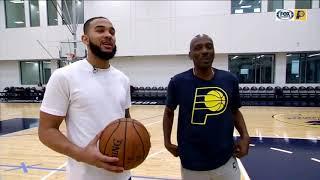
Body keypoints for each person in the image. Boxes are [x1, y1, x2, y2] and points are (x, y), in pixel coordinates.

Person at [38, 17, 132, 180]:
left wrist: (136, 141)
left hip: (123, 175)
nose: (108, 35)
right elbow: (46, 131)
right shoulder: (64, 76)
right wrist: (83, 155)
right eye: (100, 30)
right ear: (85, 39)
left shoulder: (122, 79)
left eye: (112, 31)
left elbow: (126, 122)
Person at [163, 34, 250, 180]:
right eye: (198, 48)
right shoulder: (178, 82)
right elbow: (168, 112)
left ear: (214, 51)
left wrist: (245, 136)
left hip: (226, 159)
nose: (205, 51)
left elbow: (234, 111)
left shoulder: (229, 79)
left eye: (209, 47)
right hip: (192, 163)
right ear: (190, 55)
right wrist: (167, 142)